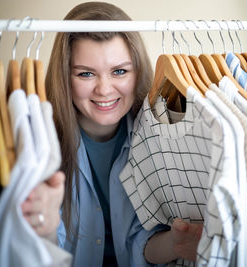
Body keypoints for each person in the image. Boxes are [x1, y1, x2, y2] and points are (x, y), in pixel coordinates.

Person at [21, 1, 203, 266]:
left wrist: (176, 243)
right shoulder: (38, 144)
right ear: (65, 77)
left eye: (119, 71)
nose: (104, 90)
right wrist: (45, 227)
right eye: (86, 74)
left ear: (137, 71)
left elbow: (142, 244)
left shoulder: (161, 137)